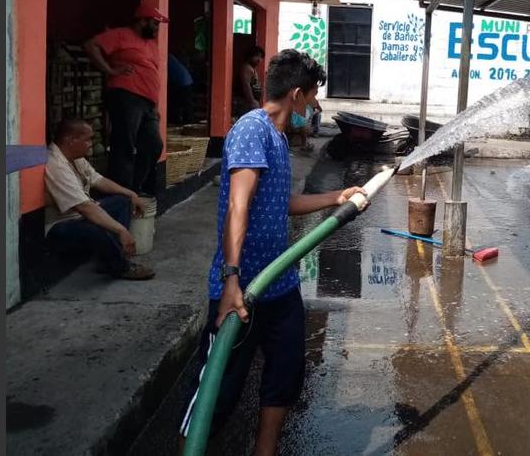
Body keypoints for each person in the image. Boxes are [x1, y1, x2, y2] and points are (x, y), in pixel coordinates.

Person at [178, 49, 367, 454]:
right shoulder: (252, 130)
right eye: (314, 96)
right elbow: (238, 206)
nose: (315, 106)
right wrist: (231, 280)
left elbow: (281, 203)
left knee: (284, 376)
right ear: (297, 95)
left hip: (279, 285)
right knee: (218, 392)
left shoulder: (279, 139)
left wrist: (339, 196)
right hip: (242, 290)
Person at [44, 119, 155, 280]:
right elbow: (85, 207)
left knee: (123, 201)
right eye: (87, 139)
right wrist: (121, 230)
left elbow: (99, 180)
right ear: (70, 140)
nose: (91, 144)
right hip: (60, 226)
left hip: (81, 216)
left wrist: (131, 193)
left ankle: (109, 259)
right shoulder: (55, 165)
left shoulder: (75, 158)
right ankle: (120, 266)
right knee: (96, 228)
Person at [83, 4, 167, 195]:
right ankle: (121, 191)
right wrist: (110, 70)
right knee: (124, 144)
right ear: (141, 21)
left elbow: (153, 73)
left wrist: (156, 105)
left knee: (154, 144)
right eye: (154, 24)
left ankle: (132, 188)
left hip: (147, 103)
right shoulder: (121, 34)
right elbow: (90, 45)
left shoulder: (152, 45)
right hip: (127, 96)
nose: (156, 28)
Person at [234, 45, 265, 117]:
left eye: (261, 57)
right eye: (256, 56)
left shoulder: (251, 68)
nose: (259, 59)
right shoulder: (246, 67)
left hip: (248, 102)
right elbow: (246, 85)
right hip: (244, 102)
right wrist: (252, 101)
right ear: (250, 56)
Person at [167, 53, 194, 126]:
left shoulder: (166, 58)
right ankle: (186, 122)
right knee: (185, 104)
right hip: (185, 80)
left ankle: (185, 123)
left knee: (181, 103)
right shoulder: (170, 57)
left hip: (182, 82)